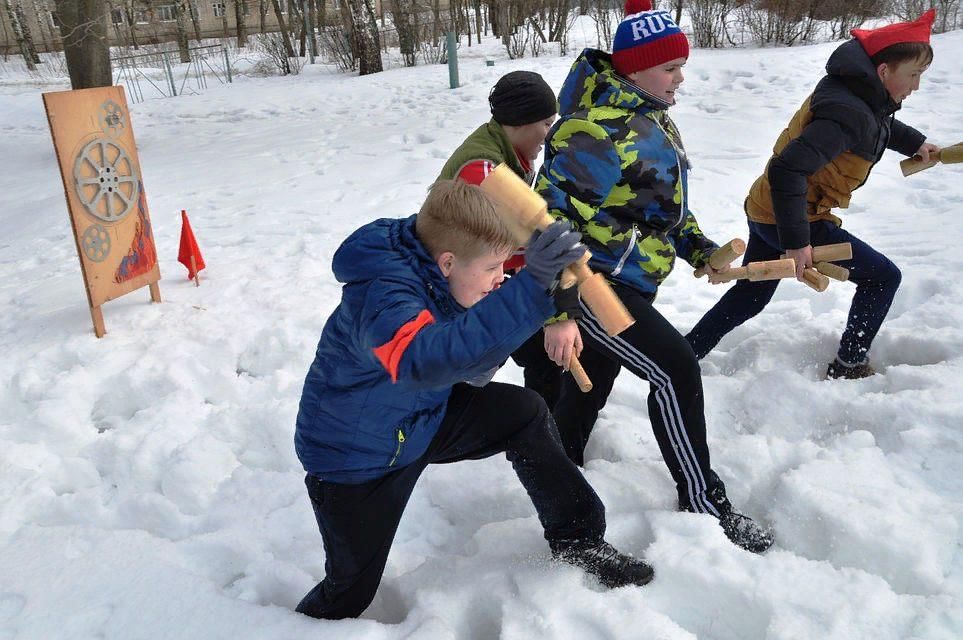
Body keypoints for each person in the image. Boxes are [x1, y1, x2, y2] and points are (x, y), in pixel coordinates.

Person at [293, 180, 654, 621]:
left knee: (525, 414)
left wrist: (542, 291)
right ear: (447, 262)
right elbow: (427, 361)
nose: (500, 277)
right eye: (492, 268)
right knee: (349, 593)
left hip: (421, 417)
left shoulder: (437, 259)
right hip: (357, 458)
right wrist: (527, 290)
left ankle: (580, 539)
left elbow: (471, 359)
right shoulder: (384, 297)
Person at [535, 0, 772, 553]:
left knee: (589, 388)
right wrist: (560, 310)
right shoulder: (590, 132)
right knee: (674, 369)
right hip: (591, 286)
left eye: (680, 67)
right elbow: (548, 228)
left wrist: (700, 250)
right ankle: (704, 500)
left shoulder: (650, 116)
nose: (681, 78)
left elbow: (660, 209)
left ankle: (555, 462)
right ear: (634, 68)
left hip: (631, 279)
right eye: (671, 68)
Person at [685, 10, 940, 379]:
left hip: (767, 207)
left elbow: (878, 125)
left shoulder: (860, 92)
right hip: (794, 214)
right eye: (913, 75)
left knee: (751, 295)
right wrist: (796, 241)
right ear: (884, 71)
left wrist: (915, 143)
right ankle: (850, 364)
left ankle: (685, 353)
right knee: (883, 278)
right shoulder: (849, 111)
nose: (916, 85)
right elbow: (789, 169)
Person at [437, 70, 577, 408]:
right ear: (519, 121)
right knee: (466, 372)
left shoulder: (507, 151)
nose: (549, 132)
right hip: (460, 288)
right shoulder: (483, 170)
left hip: (488, 277)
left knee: (541, 356)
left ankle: (545, 435)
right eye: (545, 123)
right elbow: (531, 241)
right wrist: (561, 310)